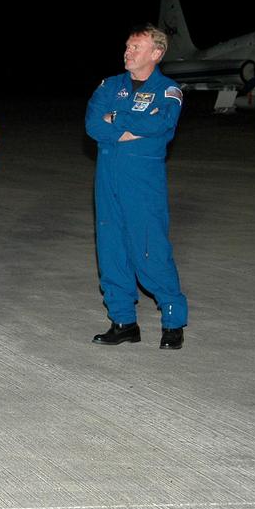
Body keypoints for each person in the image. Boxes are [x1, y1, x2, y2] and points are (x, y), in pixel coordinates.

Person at [86, 24, 188, 350]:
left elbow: (163, 123)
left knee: (150, 249)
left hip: (143, 185)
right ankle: (123, 321)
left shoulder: (168, 90)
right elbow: (91, 123)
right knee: (112, 250)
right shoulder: (109, 85)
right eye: (128, 46)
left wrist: (115, 120)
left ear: (156, 54)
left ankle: (173, 321)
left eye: (136, 47)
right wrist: (126, 128)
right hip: (107, 183)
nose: (127, 52)